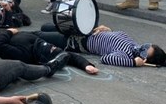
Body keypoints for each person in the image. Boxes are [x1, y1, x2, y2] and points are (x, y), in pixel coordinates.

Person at [38, 24, 166, 68]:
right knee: (46, 26)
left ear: (144, 59)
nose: (141, 48)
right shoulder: (133, 43)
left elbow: (106, 58)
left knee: (40, 35)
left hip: (76, 42)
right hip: (85, 31)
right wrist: (107, 29)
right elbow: (114, 36)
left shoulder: (126, 55)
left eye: (144, 51)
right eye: (146, 46)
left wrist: (133, 62)